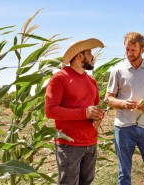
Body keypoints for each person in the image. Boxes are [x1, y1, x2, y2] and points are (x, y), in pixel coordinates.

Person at [105, 32, 144, 185]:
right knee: (124, 176)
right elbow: (108, 98)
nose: (129, 53)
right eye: (127, 49)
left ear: (143, 50)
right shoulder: (117, 70)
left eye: (133, 50)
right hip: (124, 128)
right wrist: (123, 104)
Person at [45, 38, 105, 185]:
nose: (92, 57)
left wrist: (99, 116)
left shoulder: (92, 81)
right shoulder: (60, 78)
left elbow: (97, 107)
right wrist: (84, 113)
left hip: (91, 142)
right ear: (79, 56)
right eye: (89, 53)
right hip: (69, 145)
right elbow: (50, 111)